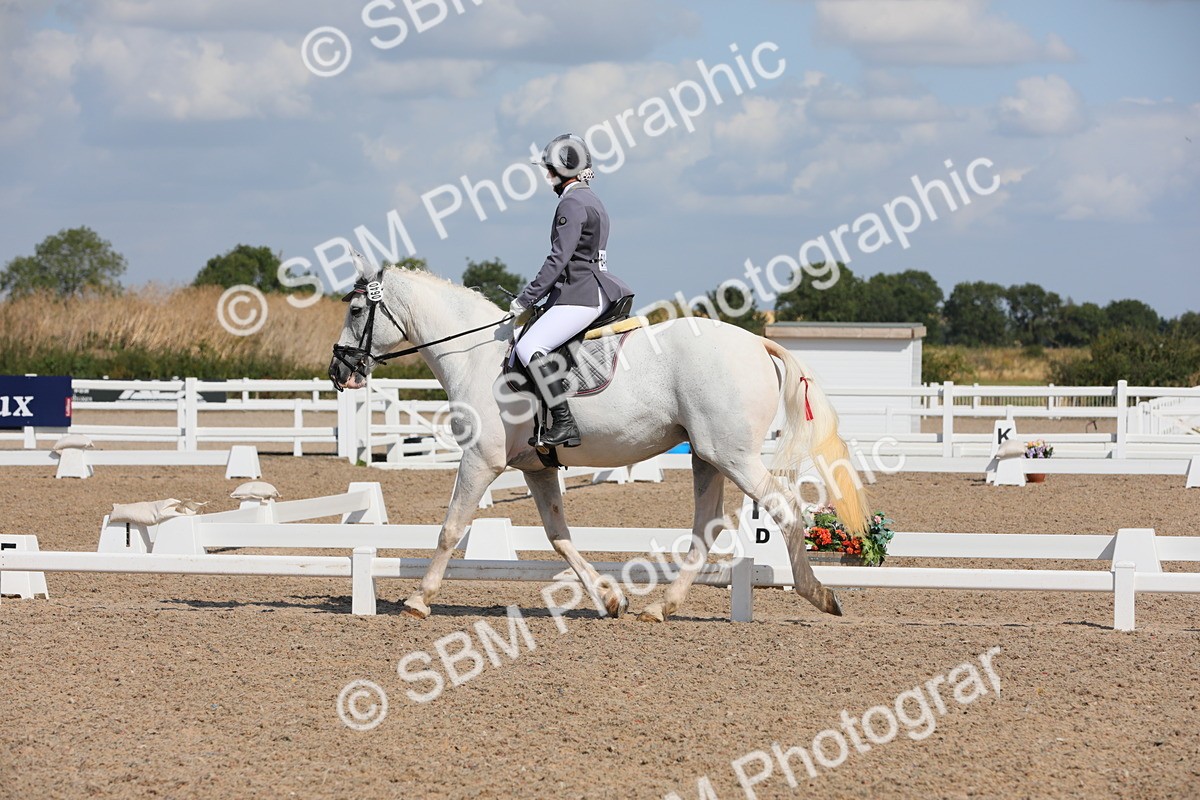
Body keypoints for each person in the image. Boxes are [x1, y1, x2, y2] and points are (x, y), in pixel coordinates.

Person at [509, 133, 634, 448]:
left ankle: (564, 422)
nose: (547, 175)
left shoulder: (572, 202)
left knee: (529, 346)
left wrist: (525, 299)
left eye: (550, 169)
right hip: (599, 288)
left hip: (581, 292)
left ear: (565, 171)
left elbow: (558, 259)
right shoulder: (591, 198)